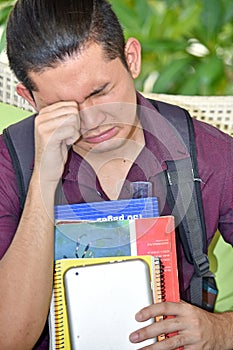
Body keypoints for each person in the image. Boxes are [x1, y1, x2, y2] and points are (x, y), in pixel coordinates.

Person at [0, 0, 232, 349]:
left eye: (100, 92)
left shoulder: (209, 154)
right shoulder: (11, 162)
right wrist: (43, 180)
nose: (92, 123)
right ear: (29, 99)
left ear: (132, 58)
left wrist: (221, 332)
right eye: (62, 108)